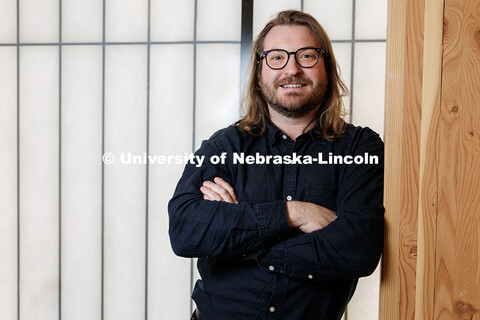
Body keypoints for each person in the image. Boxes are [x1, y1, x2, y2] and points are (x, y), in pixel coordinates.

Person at [168, 10, 384, 320]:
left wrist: (247, 244)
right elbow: (185, 229)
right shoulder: (225, 147)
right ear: (259, 73)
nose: (292, 69)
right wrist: (294, 213)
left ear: (327, 68)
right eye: (277, 58)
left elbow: (358, 248)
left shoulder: (360, 148)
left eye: (307, 56)